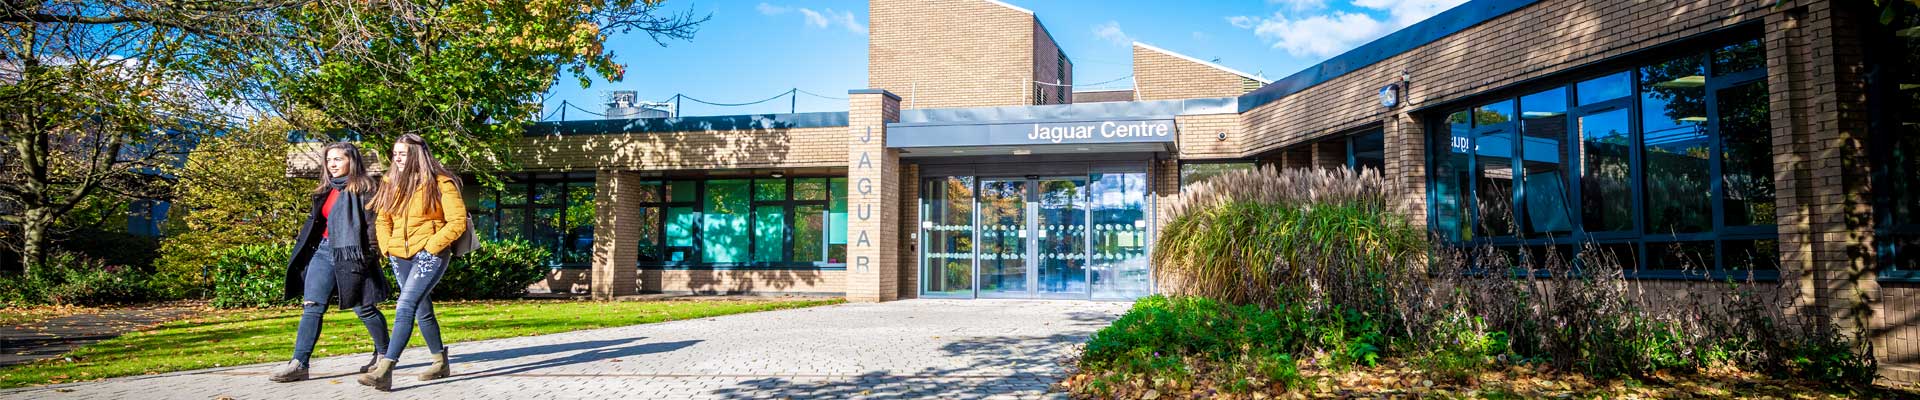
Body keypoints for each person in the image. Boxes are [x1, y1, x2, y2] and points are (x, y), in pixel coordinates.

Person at [269, 142, 391, 382]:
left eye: (338, 159)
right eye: (329, 160)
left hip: (353, 254)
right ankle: (299, 363)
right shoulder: (326, 188)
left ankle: (385, 355)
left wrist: (368, 257)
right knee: (312, 306)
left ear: (351, 161)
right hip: (324, 252)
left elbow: (372, 227)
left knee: (363, 307)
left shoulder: (367, 188)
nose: (332, 164)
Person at [359, 134, 467, 391]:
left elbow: (457, 221)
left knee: (405, 306)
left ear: (417, 155)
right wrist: (387, 247)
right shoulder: (390, 182)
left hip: (429, 254)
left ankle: (385, 369)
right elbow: (383, 220)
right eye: (395, 153)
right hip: (399, 254)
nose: (397, 158)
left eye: (403, 153)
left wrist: (432, 246)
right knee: (421, 309)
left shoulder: (441, 182)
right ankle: (440, 361)